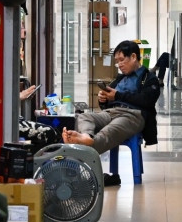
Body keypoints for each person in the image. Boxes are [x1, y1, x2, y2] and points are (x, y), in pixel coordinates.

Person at [63, 40, 161, 183]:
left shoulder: (149, 78)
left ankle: (83, 147)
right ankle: (86, 136)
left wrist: (117, 95)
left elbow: (147, 101)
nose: (119, 65)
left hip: (133, 115)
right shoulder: (119, 79)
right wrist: (103, 100)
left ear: (133, 57)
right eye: (117, 62)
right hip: (111, 112)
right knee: (84, 116)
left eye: (122, 60)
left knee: (108, 132)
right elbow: (108, 102)